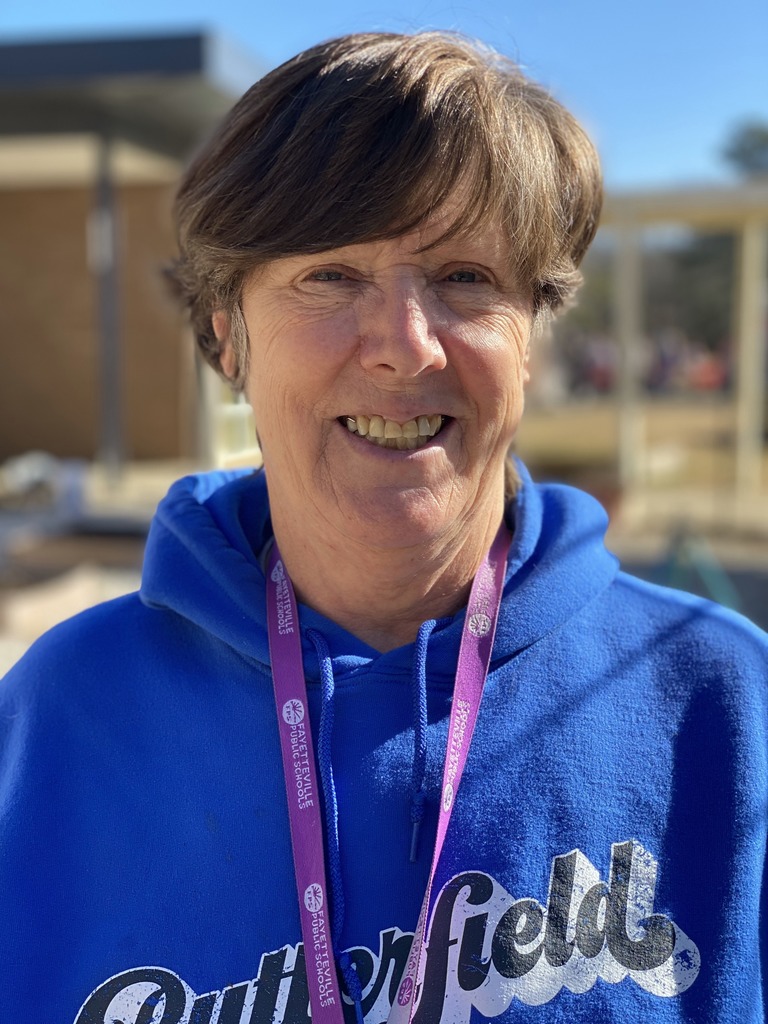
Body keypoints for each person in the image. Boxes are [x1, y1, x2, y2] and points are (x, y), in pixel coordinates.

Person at [1, 30, 766, 1024]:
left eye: (464, 277)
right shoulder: (61, 722)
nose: (404, 347)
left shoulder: (726, 706)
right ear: (229, 335)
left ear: (533, 333)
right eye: (329, 274)